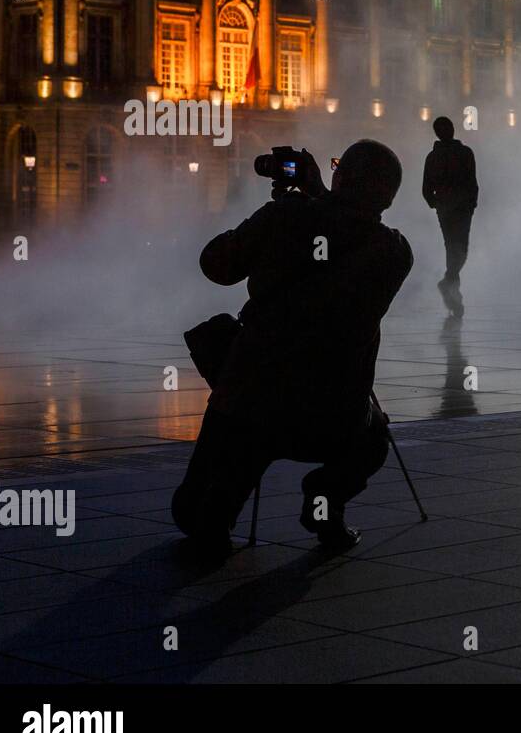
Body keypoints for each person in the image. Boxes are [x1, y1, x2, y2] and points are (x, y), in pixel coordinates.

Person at [172, 140, 413, 560]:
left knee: (194, 511)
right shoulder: (394, 252)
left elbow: (215, 264)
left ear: (341, 177)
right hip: (332, 419)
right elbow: (351, 225)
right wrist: (321, 196)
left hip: (252, 405)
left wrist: (284, 210)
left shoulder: (285, 216)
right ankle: (324, 503)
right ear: (389, 196)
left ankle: (217, 511)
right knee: (375, 436)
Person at [421, 116, 478, 318]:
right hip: (457, 208)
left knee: (455, 248)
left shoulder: (434, 157)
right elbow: (471, 181)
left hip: (452, 207)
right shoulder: (463, 153)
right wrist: (470, 203)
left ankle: (451, 284)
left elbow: (426, 188)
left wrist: (436, 203)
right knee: (458, 247)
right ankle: (451, 286)